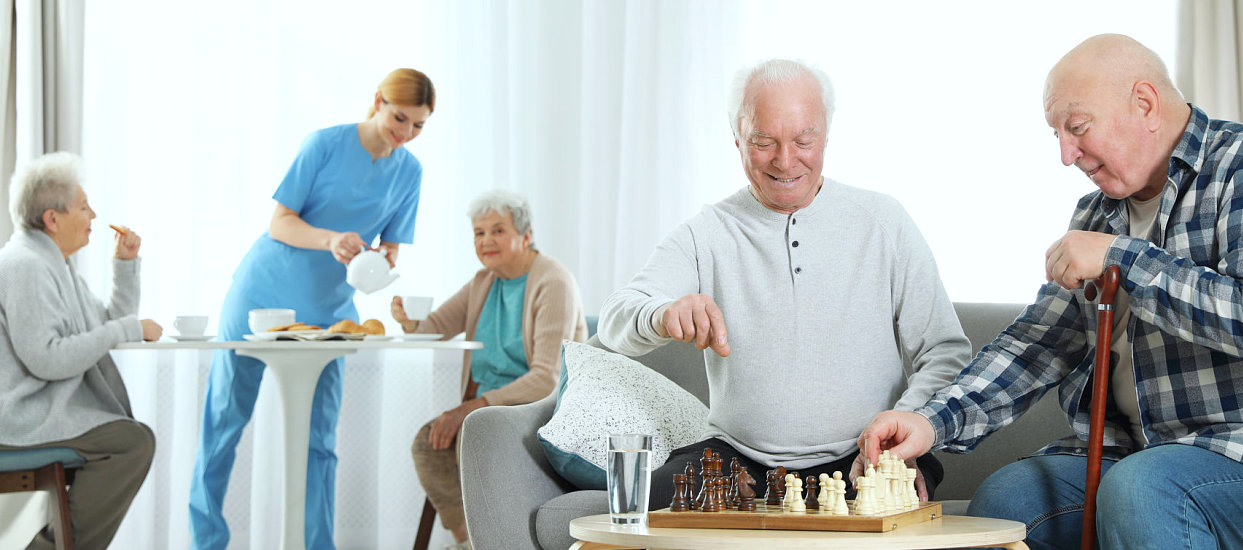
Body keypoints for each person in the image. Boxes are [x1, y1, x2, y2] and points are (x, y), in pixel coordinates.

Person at [859, 34, 1243, 549]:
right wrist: (931, 421)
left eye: (1078, 127)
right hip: (1142, 453)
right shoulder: (1097, 213)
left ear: (1145, 103)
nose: (1067, 155)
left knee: (1144, 490)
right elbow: (1038, 344)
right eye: (1057, 135)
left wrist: (1119, 257)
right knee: (1008, 502)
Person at [598, 59, 972, 511]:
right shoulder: (706, 232)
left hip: (865, 456)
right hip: (739, 460)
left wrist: (905, 425)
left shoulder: (884, 222)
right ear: (736, 137)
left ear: (827, 136)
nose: (785, 160)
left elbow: (945, 351)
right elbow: (616, 321)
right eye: (763, 141)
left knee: (886, 499)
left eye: (803, 140)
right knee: (647, 503)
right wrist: (660, 314)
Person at [189, 68, 435, 549]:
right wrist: (330, 239)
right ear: (379, 100)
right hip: (261, 294)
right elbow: (280, 223)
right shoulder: (324, 144)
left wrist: (385, 258)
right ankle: (206, 542)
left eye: (419, 126)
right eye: (399, 118)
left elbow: (392, 246)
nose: (405, 134)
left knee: (318, 440)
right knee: (224, 424)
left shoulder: (410, 172)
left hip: (328, 311)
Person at [399, 190, 586, 549]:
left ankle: (486, 539)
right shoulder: (484, 281)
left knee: (469, 432)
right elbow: (435, 326)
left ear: (526, 235)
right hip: (486, 408)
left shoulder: (552, 281)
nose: (486, 241)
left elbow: (545, 379)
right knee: (429, 444)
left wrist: (469, 408)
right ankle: (471, 540)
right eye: (479, 233)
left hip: (537, 409)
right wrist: (408, 320)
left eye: (498, 230)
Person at [0, 152, 162, 549]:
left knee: (132, 439)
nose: (93, 216)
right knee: (131, 443)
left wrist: (124, 265)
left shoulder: (54, 263)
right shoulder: (26, 266)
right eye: (84, 207)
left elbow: (106, 327)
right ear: (52, 219)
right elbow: (48, 358)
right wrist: (128, 327)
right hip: (18, 417)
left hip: (43, 409)